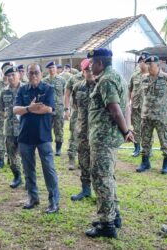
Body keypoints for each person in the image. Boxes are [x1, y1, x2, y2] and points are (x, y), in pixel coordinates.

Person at [85, 48, 133, 239]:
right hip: (108, 138)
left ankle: (107, 224)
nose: (89, 66)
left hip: (103, 138)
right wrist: (125, 130)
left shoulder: (106, 80)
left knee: (102, 179)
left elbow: (115, 110)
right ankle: (115, 215)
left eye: (92, 63)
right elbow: (123, 107)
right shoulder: (117, 77)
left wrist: (126, 130)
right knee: (108, 177)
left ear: (100, 63)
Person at [14, 63, 60, 214]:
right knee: (28, 169)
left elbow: (49, 109)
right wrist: (29, 108)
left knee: (49, 169)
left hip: (43, 136)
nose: (33, 75)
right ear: (26, 74)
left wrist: (28, 109)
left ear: (41, 73)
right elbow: (16, 110)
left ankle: (53, 201)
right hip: (25, 136)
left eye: (36, 72)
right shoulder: (22, 90)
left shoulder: (48, 89)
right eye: (31, 72)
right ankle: (33, 198)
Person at [137, 55, 167, 174]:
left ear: (158, 65)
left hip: (161, 116)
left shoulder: (166, 78)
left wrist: (163, 104)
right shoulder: (144, 78)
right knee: (145, 140)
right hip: (146, 115)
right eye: (147, 64)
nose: (148, 67)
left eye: (151, 65)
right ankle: (145, 162)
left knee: (164, 140)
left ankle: (166, 164)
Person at [70, 59, 94, 201]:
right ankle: (85, 190)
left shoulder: (102, 86)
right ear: (83, 72)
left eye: (91, 70)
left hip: (98, 132)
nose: (90, 73)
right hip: (82, 130)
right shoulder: (78, 87)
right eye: (87, 70)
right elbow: (75, 106)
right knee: (83, 161)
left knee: (98, 164)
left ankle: (102, 193)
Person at [0, 66, 23, 188]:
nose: (11, 78)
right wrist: (8, 117)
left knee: (26, 154)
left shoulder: (25, 89)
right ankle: (17, 176)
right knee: (12, 154)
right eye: (8, 76)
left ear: (18, 75)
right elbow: (1, 108)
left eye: (13, 75)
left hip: (24, 128)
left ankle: (29, 178)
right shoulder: (4, 91)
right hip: (9, 128)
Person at [129, 52, 150, 157]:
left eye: (145, 61)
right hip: (136, 106)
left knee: (147, 129)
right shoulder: (134, 75)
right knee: (136, 128)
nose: (143, 63)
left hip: (148, 108)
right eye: (141, 61)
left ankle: (147, 150)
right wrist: (129, 103)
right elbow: (130, 90)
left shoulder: (153, 74)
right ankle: (137, 148)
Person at [43, 61, 66, 156]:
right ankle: (47, 148)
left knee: (59, 128)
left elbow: (65, 94)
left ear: (56, 69)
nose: (52, 69)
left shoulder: (62, 80)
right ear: (48, 69)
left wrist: (66, 108)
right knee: (46, 128)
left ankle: (58, 149)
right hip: (47, 109)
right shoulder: (44, 81)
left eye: (53, 67)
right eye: (50, 68)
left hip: (59, 108)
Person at [64, 68, 84, 170]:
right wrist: (66, 109)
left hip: (90, 113)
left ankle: (83, 160)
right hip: (76, 112)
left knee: (86, 137)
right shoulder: (74, 79)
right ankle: (71, 159)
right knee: (74, 135)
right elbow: (67, 94)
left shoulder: (96, 76)